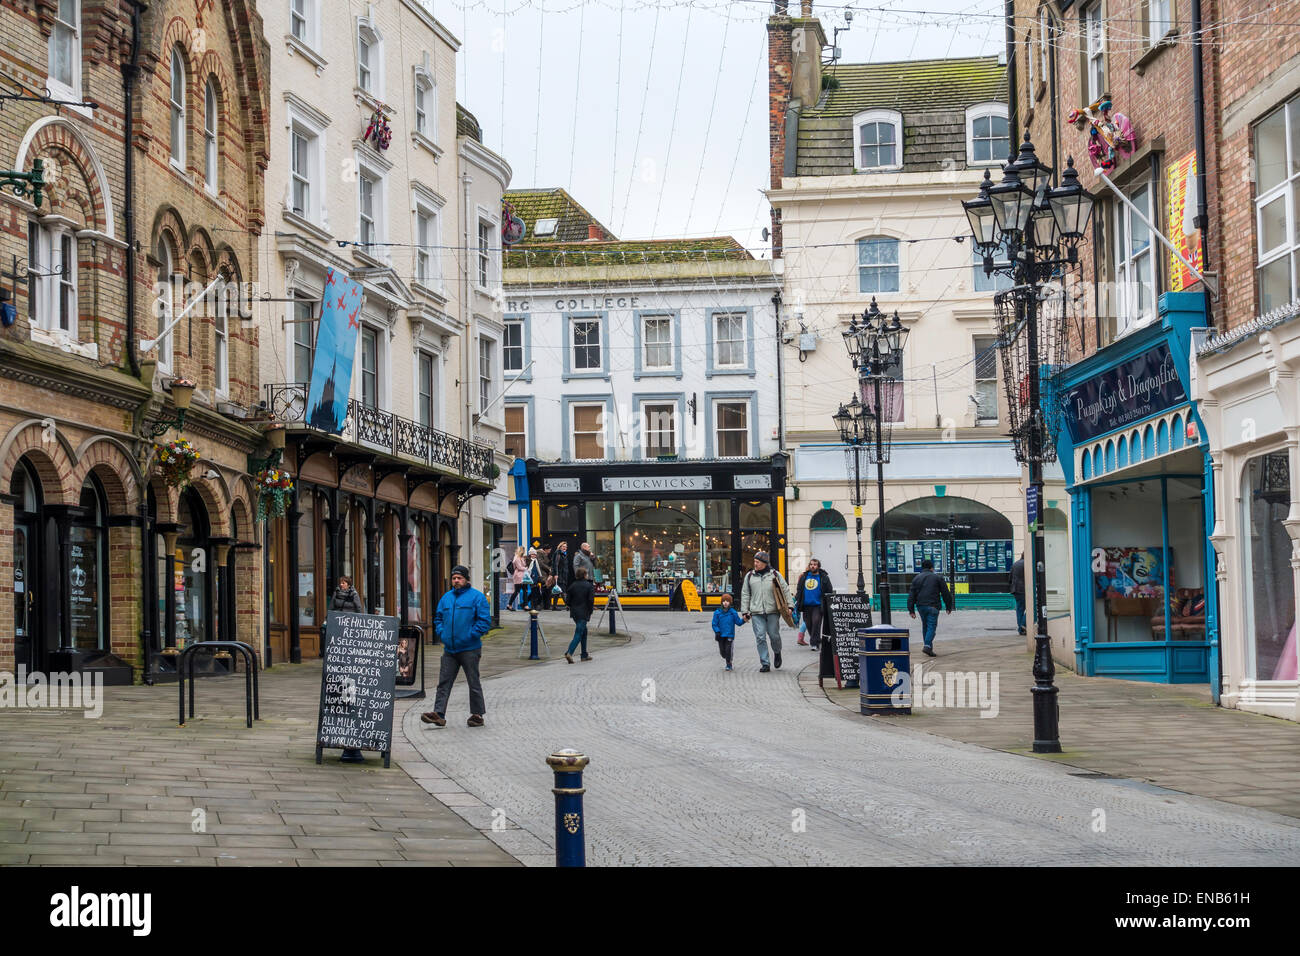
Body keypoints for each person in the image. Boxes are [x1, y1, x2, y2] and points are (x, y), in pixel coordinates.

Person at [421, 565, 491, 728]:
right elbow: (438, 618)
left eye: (459, 578)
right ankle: (438, 714)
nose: (456, 581)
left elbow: (484, 621)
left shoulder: (477, 597)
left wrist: (470, 635)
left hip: (470, 648)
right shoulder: (446, 598)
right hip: (450, 649)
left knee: (473, 682)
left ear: (466, 579)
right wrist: (442, 633)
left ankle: (477, 715)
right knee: (443, 682)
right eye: (454, 578)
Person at [739, 551, 794, 672]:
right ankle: (765, 663)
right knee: (760, 637)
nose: (755, 564)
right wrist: (745, 611)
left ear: (764, 563)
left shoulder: (774, 574)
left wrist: (790, 606)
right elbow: (745, 594)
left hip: (773, 610)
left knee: (774, 635)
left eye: (757, 562)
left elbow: (785, 589)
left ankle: (777, 652)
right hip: (756, 612)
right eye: (754, 561)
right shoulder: (750, 576)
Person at [908, 558, 954, 657]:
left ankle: (929, 648)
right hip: (933, 605)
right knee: (931, 626)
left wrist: (911, 609)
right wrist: (949, 606)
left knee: (926, 626)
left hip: (921, 606)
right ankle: (927, 646)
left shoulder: (916, 578)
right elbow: (946, 593)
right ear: (931, 568)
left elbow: (911, 595)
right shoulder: (937, 578)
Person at [794, 557, 834, 650]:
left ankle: (814, 644)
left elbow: (829, 590)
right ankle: (817, 640)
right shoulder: (804, 577)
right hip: (806, 605)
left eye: (815, 564)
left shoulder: (823, 577)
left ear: (818, 566)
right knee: (808, 624)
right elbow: (799, 589)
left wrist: (828, 602)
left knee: (816, 623)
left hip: (818, 605)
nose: (812, 566)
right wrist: (797, 600)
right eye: (811, 564)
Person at [563, 567, 596, 663]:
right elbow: (591, 600)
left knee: (584, 631)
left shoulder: (572, 586)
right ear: (585, 575)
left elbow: (568, 601)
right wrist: (590, 611)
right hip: (584, 612)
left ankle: (584, 655)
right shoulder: (589, 586)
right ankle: (569, 652)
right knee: (579, 633)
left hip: (574, 613)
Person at [711, 593, 746, 671]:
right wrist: (717, 631)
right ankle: (727, 657)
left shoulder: (733, 612)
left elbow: (738, 622)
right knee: (723, 652)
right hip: (720, 635)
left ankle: (729, 664)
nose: (725, 602)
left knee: (728, 650)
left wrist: (744, 619)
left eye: (727, 601)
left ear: (730, 602)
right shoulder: (717, 612)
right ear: (721, 602)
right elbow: (714, 624)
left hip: (729, 635)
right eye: (724, 601)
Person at [1010, 553, 1027, 635]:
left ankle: (1021, 629)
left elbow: (1010, 578)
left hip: (1015, 590)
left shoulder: (1015, 564)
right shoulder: (1027, 564)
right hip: (1024, 589)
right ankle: (1023, 624)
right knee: (1032, 608)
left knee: (1019, 609)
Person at [508, 547, 528, 612]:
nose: (524, 552)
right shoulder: (516, 558)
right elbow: (519, 567)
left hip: (523, 576)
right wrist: (526, 568)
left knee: (525, 591)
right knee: (517, 591)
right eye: (523, 551)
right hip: (518, 576)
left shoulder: (521, 558)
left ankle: (525, 605)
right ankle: (509, 604)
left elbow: (523, 565)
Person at [554, 540, 573, 608]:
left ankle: (554, 606)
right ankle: (567, 604)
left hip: (564, 574)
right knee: (562, 590)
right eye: (563, 546)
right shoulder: (558, 554)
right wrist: (556, 574)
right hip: (560, 574)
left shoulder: (564, 554)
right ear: (560, 547)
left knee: (558, 590)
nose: (565, 548)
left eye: (566, 547)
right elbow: (556, 564)